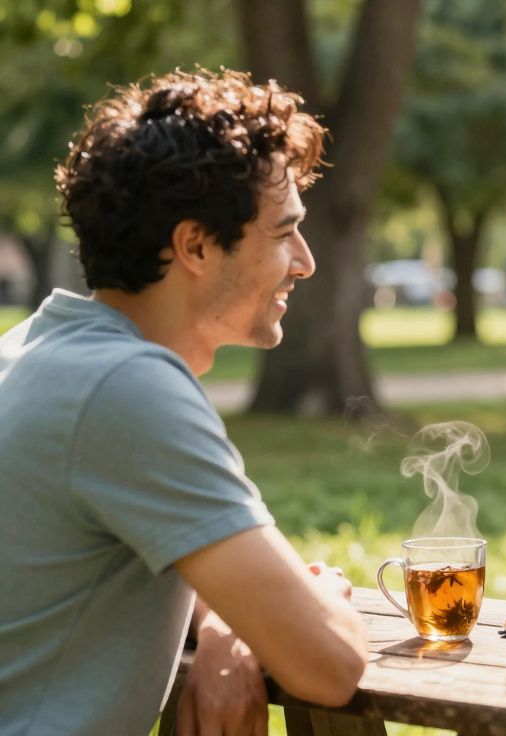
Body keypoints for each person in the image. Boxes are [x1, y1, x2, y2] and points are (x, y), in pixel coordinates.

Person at [0, 69, 369, 735]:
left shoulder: (36, 355)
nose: (305, 261)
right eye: (284, 232)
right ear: (195, 245)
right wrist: (319, 597)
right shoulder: (123, 388)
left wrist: (229, 619)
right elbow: (329, 663)